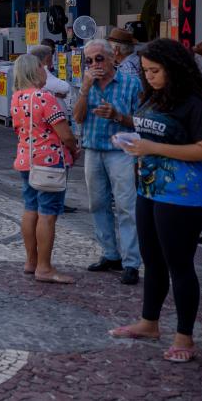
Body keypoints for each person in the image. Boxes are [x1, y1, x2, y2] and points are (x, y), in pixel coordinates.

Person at [110, 39, 202, 363]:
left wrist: (153, 149)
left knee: (179, 264)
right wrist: (132, 139)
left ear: (174, 69)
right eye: (146, 72)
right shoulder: (155, 96)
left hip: (183, 195)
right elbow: (151, 132)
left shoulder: (195, 104)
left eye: (155, 71)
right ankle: (149, 322)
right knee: (152, 260)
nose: (150, 77)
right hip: (149, 188)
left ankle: (185, 337)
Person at [72, 39, 142, 285]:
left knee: (126, 206)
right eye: (89, 60)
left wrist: (117, 116)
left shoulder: (131, 83)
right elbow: (78, 118)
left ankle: (132, 262)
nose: (94, 64)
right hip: (93, 149)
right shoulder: (86, 84)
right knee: (98, 204)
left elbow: (140, 122)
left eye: (99, 58)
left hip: (120, 152)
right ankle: (110, 253)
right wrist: (84, 89)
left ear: (112, 56)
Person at [10, 53, 80, 284]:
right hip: (49, 161)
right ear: (35, 70)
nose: (45, 70)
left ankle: (31, 261)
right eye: (42, 67)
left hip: (25, 159)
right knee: (48, 214)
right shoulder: (45, 98)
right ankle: (44, 267)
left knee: (30, 209)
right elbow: (64, 133)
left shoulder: (17, 97)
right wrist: (74, 149)